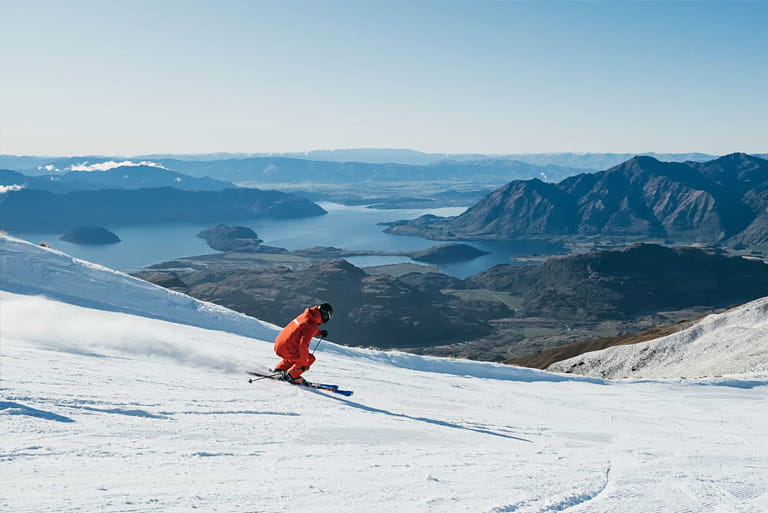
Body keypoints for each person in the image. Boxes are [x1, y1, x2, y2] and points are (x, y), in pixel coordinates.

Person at [272, 303, 333, 385]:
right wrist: (304, 362)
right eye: (327, 317)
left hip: (279, 345)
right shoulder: (312, 324)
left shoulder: (306, 315)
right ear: (324, 314)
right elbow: (303, 345)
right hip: (288, 348)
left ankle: (279, 369)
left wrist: (320, 332)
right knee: (309, 358)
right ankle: (291, 376)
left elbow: (303, 330)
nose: (327, 319)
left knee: (295, 356)